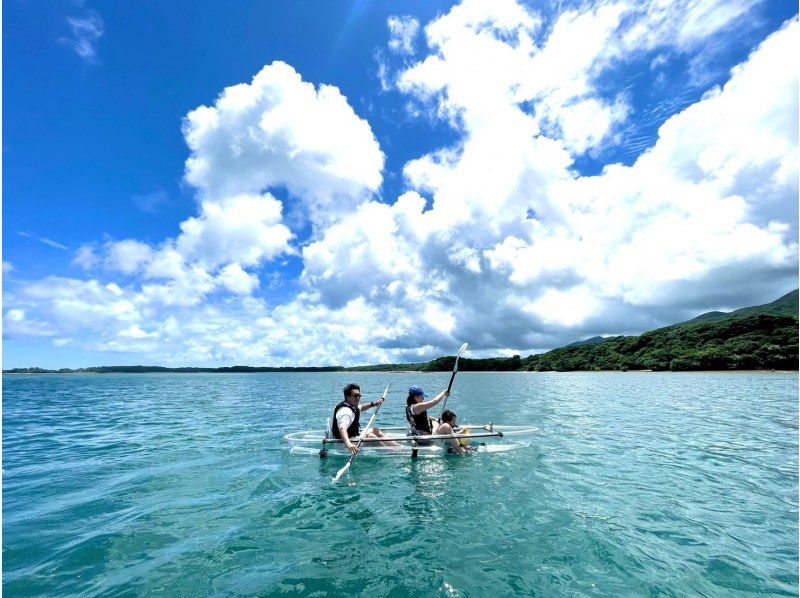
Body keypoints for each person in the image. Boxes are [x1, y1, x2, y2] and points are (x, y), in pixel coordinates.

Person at [332, 383, 395, 454]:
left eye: (359, 395)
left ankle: (397, 446)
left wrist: (374, 404)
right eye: (355, 396)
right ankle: (391, 451)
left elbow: (361, 407)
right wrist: (348, 444)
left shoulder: (352, 405)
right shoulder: (345, 412)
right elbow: (342, 429)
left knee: (375, 430)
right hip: (343, 442)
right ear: (347, 397)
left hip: (353, 436)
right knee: (371, 437)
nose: (358, 398)